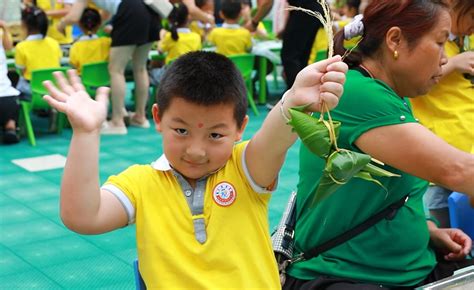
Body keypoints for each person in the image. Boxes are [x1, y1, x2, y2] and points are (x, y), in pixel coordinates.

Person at [41, 51, 347, 288]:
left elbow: (277, 133)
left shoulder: (245, 169)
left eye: (215, 135)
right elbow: (83, 217)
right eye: (181, 131)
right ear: (158, 118)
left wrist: (293, 100)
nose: (196, 151)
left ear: (240, 128)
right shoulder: (140, 184)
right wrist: (85, 133)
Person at [284, 1, 474, 289]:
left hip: (405, 268)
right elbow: (459, 171)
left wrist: (427, 230)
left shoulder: (389, 93)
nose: (445, 58)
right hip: (349, 276)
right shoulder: (358, 93)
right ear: (395, 40)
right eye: (439, 43)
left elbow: (377, 194)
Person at [410, 0, 474, 228]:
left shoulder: (466, 39)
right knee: (442, 219)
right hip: (441, 147)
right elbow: (415, 82)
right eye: (472, 16)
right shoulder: (432, 41)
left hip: (468, 143)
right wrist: (454, 64)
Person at [58, 0, 161, 134]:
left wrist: (61, 25)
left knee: (116, 70)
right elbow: (106, 14)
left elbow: (73, 17)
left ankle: (117, 122)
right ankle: (140, 117)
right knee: (140, 68)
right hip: (150, 12)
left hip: (130, 11)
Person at [15, 6, 62, 98]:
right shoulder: (54, 43)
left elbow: (20, 70)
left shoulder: (21, 47)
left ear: (23, 24)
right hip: (54, 90)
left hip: (33, 91)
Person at [281, 0, 324, 88]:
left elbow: (267, 3)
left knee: (290, 56)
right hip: (314, 9)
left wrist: (254, 22)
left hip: (305, 8)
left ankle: (296, 91)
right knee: (302, 55)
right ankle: (301, 90)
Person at [69, 8, 111, 74]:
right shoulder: (108, 42)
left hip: (84, 82)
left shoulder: (76, 46)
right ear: (99, 24)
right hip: (106, 80)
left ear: (79, 24)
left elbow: (73, 65)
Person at [0, 19, 20, 144]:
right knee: (12, 82)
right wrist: (5, 28)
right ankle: (10, 127)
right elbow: (9, 48)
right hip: (7, 97)